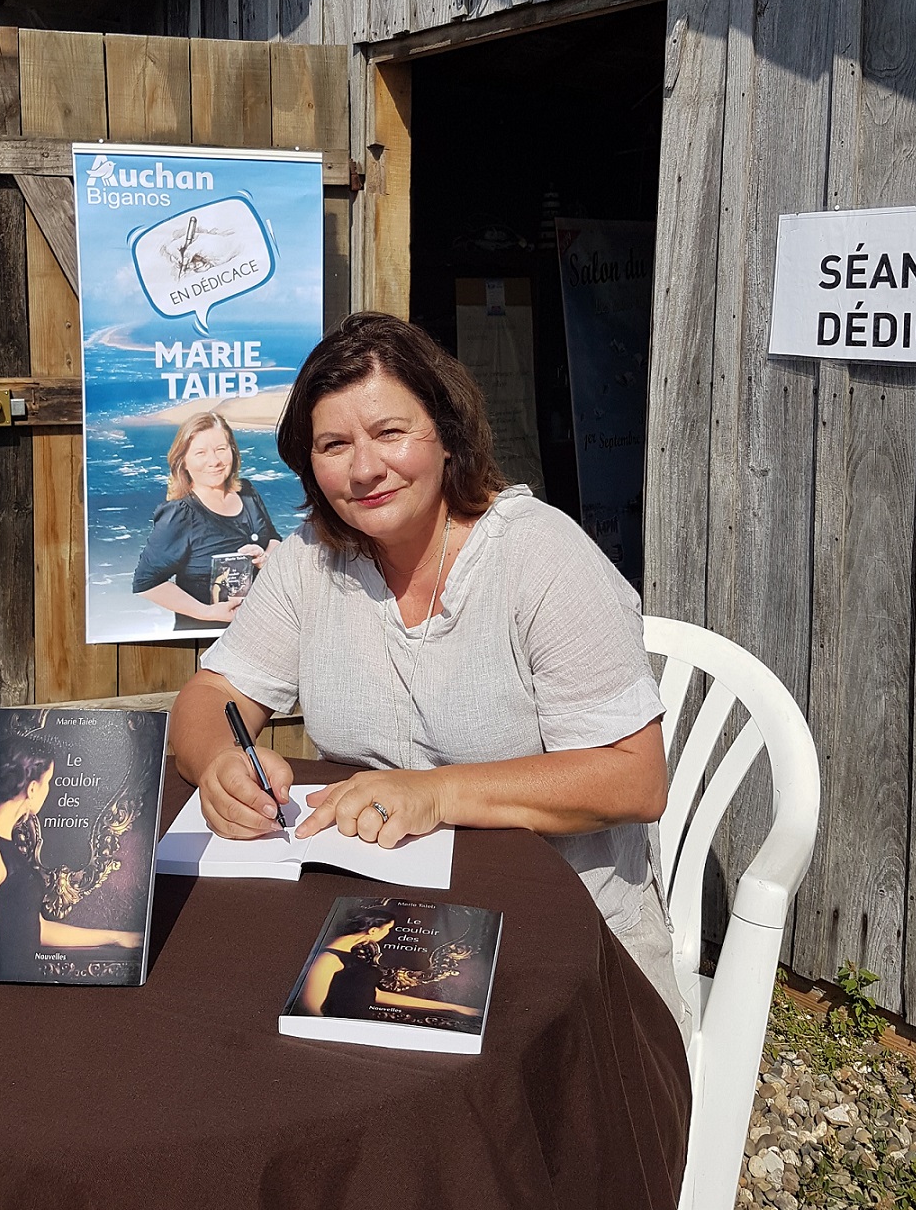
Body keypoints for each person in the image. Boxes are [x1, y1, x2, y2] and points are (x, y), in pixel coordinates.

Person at [167, 313, 688, 1037]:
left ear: (446, 433)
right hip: (379, 919)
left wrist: (435, 792)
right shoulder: (312, 557)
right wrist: (221, 761)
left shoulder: (540, 558)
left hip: (558, 940)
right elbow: (212, 694)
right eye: (333, 445)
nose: (363, 469)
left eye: (389, 433)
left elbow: (633, 780)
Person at [0, 734, 143, 982]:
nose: (49, 790)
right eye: (49, 781)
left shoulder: (3, 849)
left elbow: (34, 928)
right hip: (5, 1005)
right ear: (33, 788)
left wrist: (116, 937)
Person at [132, 411, 282, 629]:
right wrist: (208, 612)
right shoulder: (179, 514)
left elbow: (274, 538)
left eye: (221, 449)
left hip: (257, 629)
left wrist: (265, 558)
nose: (214, 461)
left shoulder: (247, 492)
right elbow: (146, 584)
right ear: (183, 461)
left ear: (233, 450)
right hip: (204, 638)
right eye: (200, 453)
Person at [294, 906, 480, 1022]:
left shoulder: (350, 956)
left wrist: (454, 1007)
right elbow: (311, 1008)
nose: (387, 934)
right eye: (388, 929)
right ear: (373, 930)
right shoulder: (328, 959)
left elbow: (372, 994)